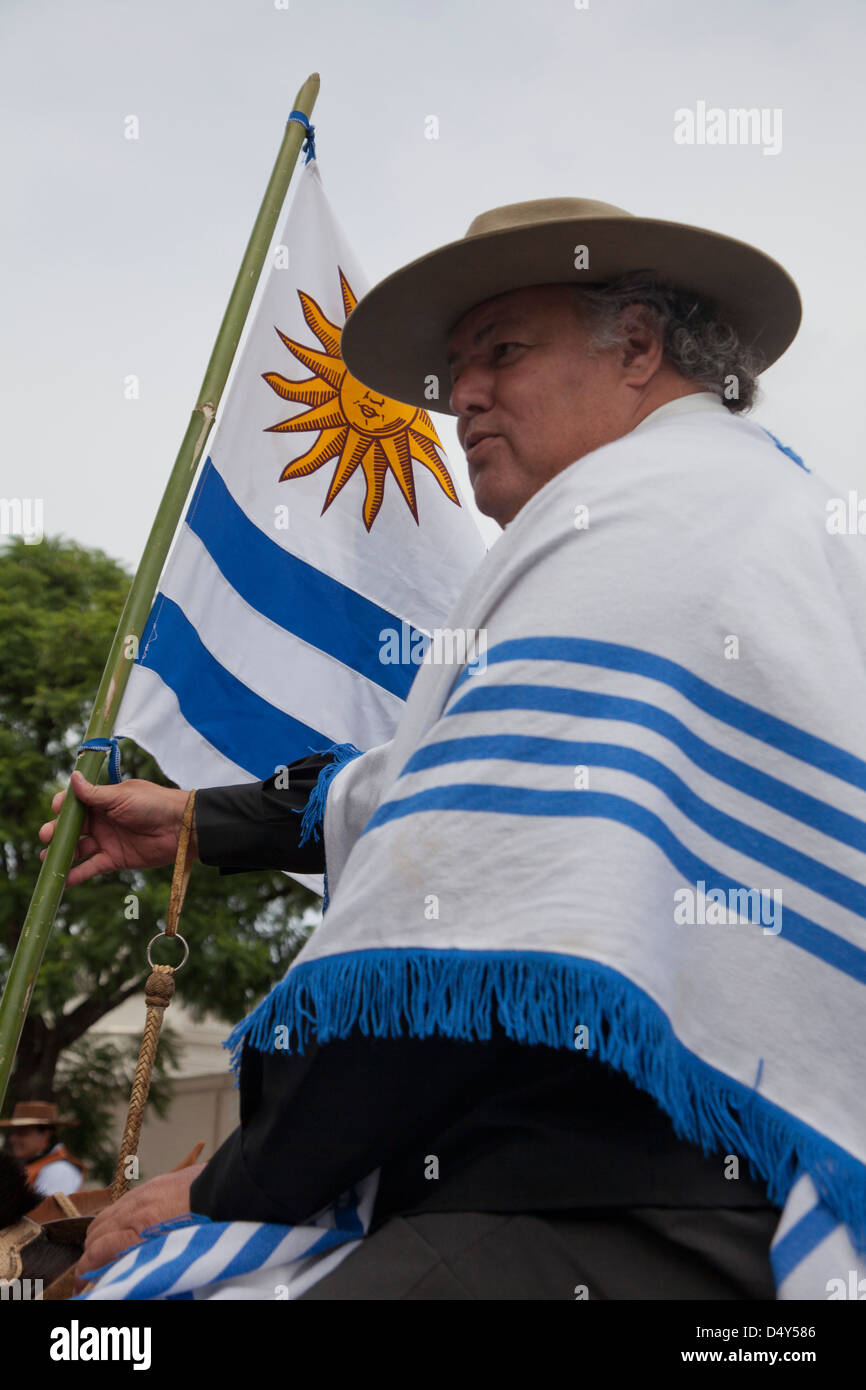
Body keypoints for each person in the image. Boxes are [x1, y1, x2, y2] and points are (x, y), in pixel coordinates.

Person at [41, 198, 866, 1300]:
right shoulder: (758, 503)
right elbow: (430, 795)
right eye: (451, 369)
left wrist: (237, 1180)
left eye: (501, 352)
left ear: (634, 347)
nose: (459, 395)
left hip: (614, 1204)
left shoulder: (626, 523)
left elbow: (459, 928)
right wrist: (200, 821)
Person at [0, 1101, 85, 1197]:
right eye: (15, 1132)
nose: (13, 1139)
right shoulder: (41, 1166)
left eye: (22, 1132)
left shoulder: (58, 1170)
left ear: (45, 1135)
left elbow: (49, 1211)